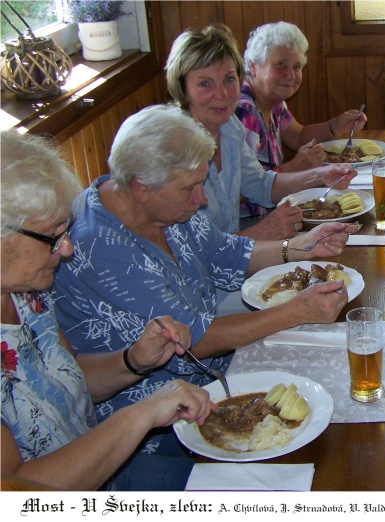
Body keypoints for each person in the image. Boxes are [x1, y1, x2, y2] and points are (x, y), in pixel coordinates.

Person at [52, 104, 355, 447]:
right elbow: (197, 339)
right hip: (153, 428)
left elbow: (227, 252)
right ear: (141, 187)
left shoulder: (163, 207)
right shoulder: (100, 248)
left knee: (330, 382)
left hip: (215, 374)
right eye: (190, 189)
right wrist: (297, 311)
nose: (200, 199)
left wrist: (301, 247)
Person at [1, 130, 213, 490]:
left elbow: (69, 379)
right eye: (52, 235)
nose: (66, 248)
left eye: (64, 229)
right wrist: (143, 413)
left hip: (106, 469)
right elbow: (18, 491)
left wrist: (134, 360)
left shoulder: (24, 294)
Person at [165, 24, 357, 240]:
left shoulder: (229, 127)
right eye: (205, 83)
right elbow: (189, 252)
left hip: (237, 253)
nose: (222, 94)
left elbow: (260, 185)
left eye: (229, 79)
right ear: (183, 88)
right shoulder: (172, 145)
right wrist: (259, 233)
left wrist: (320, 175)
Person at [236, 21, 367, 173]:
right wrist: (295, 167)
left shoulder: (274, 101)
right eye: (281, 64)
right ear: (253, 66)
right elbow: (245, 189)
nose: (290, 75)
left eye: (297, 67)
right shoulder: (245, 111)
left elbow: (298, 137)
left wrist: (337, 125)